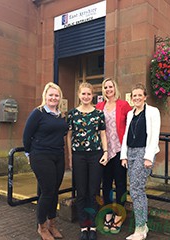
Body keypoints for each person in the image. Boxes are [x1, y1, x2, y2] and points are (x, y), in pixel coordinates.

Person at [23, 82, 68, 240]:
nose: (53, 98)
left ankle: (52, 224)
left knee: (53, 191)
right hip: (41, 155)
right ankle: (41, 226)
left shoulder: (61, 115)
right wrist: (29, 154)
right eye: (51, 95)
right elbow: (26, 135)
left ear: (59, 98)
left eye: (56, 95)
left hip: (58, 156)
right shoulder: (38, 113)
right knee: (48, 191)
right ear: (45, 96)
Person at [67, 82, 108, 240]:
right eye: (83, 94)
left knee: (94, 191)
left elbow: (103, 134)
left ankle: (93, 225)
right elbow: (69, 136)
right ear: (79, 95)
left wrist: (105, 152)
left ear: (93, 96)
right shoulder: (72, 114)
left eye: (88, 94)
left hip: (95, 155)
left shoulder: (98, 114)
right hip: (79, 156)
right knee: (81, 192)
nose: (86, 97)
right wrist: (70, 156)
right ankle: (84, 226)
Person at [120, 83, 161, 240]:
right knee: (136, 189)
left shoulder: (152, 112)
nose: (136, 98)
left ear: (145, 97)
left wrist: (148, 157)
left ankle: (140, 229)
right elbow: (126, 136)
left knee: (136, 190)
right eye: (134, 95)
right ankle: (143, 225)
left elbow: (154, 135)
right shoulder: (131, 114)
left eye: (139, 95)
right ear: (131, 98)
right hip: (130, 152)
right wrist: (124, 155)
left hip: (144, 153)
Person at [95, 78, 132, 234]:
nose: (108, 89)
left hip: (119, 151)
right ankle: (108, 214)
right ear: (103, 90)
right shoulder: (99, 106)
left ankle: (119, 216)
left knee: (121, 184)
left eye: (110, 86)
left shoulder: (123, 105)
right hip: (104, 152)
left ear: (115, 88)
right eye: (105, 87)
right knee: (106, 185)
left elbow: (132, 124)